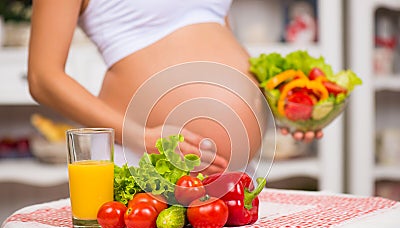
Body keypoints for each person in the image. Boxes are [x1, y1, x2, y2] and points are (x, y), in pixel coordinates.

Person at [27, 0, 322, 174]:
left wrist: (283, 106)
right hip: (146, 160)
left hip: (235, 175)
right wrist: (141, 136)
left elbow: (215, 36)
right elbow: (43, 78)